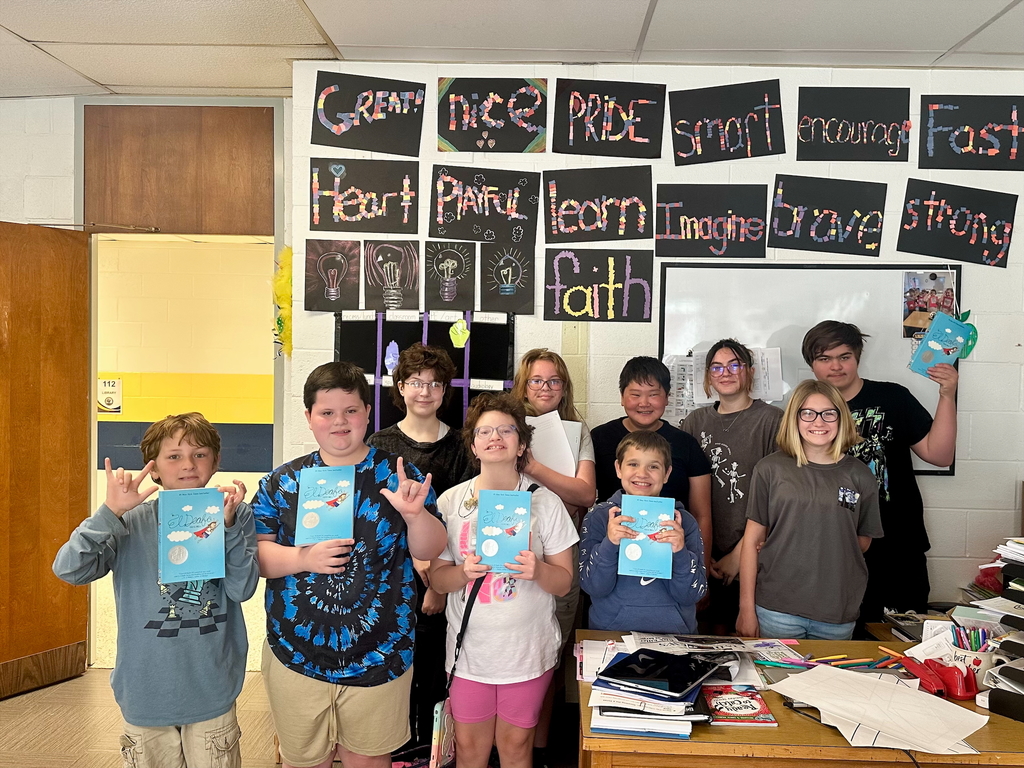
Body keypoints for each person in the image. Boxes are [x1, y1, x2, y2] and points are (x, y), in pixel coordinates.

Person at [252, 361, 447, 768]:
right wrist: (303, 558)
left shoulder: (397, 475)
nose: (340, 422)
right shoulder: (282, 482)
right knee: (303, 760)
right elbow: (259, 557)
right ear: (308, 417)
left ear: (368, 413)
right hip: (296, 653)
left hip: (381, 651)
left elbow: (431, 548)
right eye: (326, 412)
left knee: (369, 760)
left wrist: (415, 515)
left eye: (351, 411)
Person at [53, 412, 258, 768]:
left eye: (199, 454)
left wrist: (227, 527)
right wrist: (109, 512)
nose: (189, 465)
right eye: (174, 456)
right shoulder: (130, 520)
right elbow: (69, 570)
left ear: (216, 462)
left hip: (211, 687)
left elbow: (242, 589)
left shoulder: (236, 516)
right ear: (155, 468)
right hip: (145, 690)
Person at [429, 392, 578, 768]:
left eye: (506, 430)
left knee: (515, 749)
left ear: (522, 443)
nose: (495, 437)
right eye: (484, 431)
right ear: (474, 446)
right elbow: (438, 580)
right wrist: (462, 572)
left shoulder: (546, 502)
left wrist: (538, 570)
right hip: (469, 655)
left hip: (527, 653)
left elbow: (563, 583)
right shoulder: (451, 502)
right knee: (470, 751)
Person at [802, 320, 958, 621]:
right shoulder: (805, 411)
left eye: (844, 356)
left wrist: (947, 395)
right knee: (840, 649)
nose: (836, 366)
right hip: (834, 548)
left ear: (857, 358)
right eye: (824, 358)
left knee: (903, 644)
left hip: (898, 545)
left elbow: (939, 455)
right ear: (812, 365)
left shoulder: (893, 398)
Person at [367, 343, 471, 749]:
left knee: (433, 668)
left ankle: (430, 750)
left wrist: (436, 585)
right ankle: (390, 747)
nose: (424, 391)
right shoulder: (379, 444)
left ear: (445, 391)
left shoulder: (464, 445)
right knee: (391, 669)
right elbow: (376, 519)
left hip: (443, 575)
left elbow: (463, 518)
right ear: (400, 387)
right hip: (389, 577)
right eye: (415, 382)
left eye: (434, 384)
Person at [736, 380, 883, 640]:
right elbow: (752, 542)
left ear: (841, 418)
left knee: (828, 682)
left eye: (829, 413)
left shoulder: (860, 474)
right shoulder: (770, 469)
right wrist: (746, 608)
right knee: (776, 681)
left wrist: (815, 545)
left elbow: (862, 541)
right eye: (808, 413)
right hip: (776, 609)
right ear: (794, 418)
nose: (818, 422)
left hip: (836, 612)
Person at [510, 348, 597, 767]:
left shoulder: (577, 430)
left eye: (554, 381)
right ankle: (508, 746)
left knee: (550, 654)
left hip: (561, 554)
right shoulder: (505, 425)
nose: (545, 388)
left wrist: (533, 466)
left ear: (565, 387)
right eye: (536, 381)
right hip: (510, 552)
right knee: (510, 648)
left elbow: (585, 494)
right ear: (523, 384)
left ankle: (539, 750)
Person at [681, 340, 782, 634]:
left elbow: (778, 497)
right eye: (717, 367)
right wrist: (701, 554)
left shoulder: (772, 421)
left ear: (749, 372)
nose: (726, 373)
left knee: (744, 649)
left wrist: (740, 555)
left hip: (752, 559)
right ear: (708, 377)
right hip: (699, 553)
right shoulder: (695, 421)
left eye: (734, 365)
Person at [591, 356, 712, 572]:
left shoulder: (686, 444)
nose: (644, 403)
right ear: (622, 397)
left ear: (667, 397)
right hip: (611, 554)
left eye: (653, 395)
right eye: (635, 395)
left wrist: (700, 572)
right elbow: (586, 500)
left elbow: (701, 514)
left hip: (671, 557)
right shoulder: (599, 438)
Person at [579, 430, 707, 633]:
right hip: (611, 636)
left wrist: (680, 553)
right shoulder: (598, 518)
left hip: (675, 637)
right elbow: (592, 587)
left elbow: (693, 594)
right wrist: (609, 544)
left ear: (667, 474)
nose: (642, 474)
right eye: (633, 464)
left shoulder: (684, 523)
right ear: (618, 468)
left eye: (653, 467)